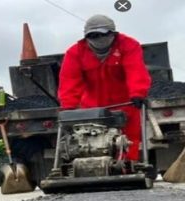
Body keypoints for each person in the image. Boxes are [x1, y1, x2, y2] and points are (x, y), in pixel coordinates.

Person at [58, 14, 151, 162]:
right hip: (92, 107)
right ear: (86, 37)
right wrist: (68, 107)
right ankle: (93, 167)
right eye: (93, 36)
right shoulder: (75, 53)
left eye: (102, 34)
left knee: (129, 138)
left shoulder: (129, 45)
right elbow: (70, 81)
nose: (98, 39)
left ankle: (127, 166)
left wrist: (138, 93)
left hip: (125, 103)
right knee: (88, 137)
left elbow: (135, 70)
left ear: (112, 34)